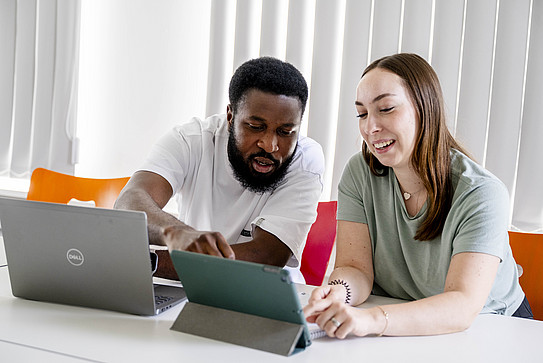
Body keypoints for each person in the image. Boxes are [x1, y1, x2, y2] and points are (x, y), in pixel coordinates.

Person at [303, 53, 531, 339]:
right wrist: (339, 291)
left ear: (425, 109)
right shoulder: (359, 174)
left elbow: (461, 304)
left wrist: (373, 320)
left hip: (491, 328)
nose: (370, 127)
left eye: (385, 108)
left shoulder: (482, 193)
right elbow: (355, 268)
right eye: (361, 113)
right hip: (401, 316)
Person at [115, 57, 324, 281]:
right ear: (230, 116)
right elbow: (131, 200)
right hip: (184, 290)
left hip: (260, 293)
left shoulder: (306, 160)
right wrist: (175, 233)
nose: (270, 145)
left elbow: (265, 257)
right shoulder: (191, 140)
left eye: (285, 132)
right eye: (255, 127)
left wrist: (147, 263)